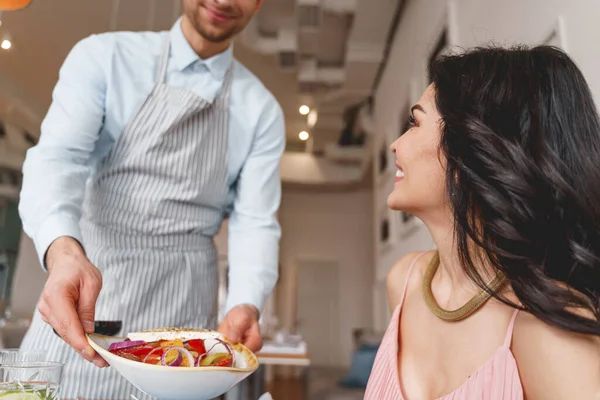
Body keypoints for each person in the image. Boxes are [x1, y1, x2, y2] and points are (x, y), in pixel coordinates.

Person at [18, 0, 284, 398]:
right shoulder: (105, 56)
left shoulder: (262, 110)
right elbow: (58, 160)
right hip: (91, 283)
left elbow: (256, 221)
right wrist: (61, 252)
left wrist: (246, 301)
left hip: (184, 303)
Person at [365, 46, 600, 399]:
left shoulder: (547, 327)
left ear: (470, 148)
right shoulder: (404, 281)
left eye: (415, 123)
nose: (395, 145)